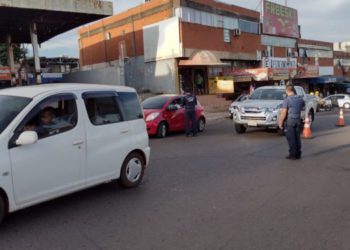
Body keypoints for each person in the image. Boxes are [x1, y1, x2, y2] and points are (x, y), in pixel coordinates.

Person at [278, 85, 305, 160]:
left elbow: (283, 112)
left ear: (287, 91)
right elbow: (303, 107)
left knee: (291, 138)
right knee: (297, 137)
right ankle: (298, 154)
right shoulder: (300, 99)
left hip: (290, 120)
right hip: (298, 120)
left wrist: (280, 122)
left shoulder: (287, 100)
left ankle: (293, 155)